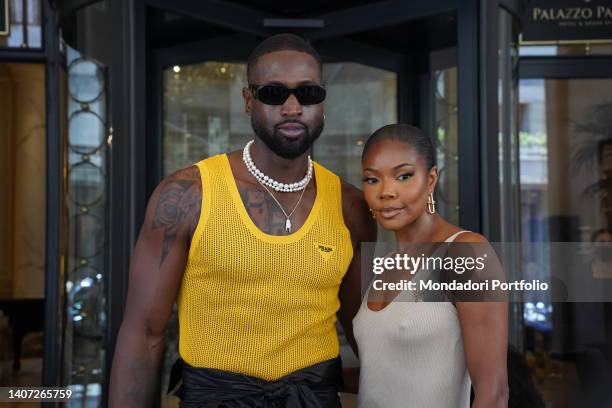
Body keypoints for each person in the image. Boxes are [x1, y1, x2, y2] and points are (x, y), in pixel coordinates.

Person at [109, 33, 375, 407]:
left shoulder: (350, 207)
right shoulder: (188, 194)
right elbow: (144, 333)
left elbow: (368, 335)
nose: (293, 107)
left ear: (323, 103)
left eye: (308, 93)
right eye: (273, 93)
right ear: (249, 101)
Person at [353, 124, 508, 407]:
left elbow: (494, 393)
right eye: (372, 180)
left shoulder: (465, 252)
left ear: (431, 179)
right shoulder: (382, 265)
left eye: (403, 176)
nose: (386, 192)